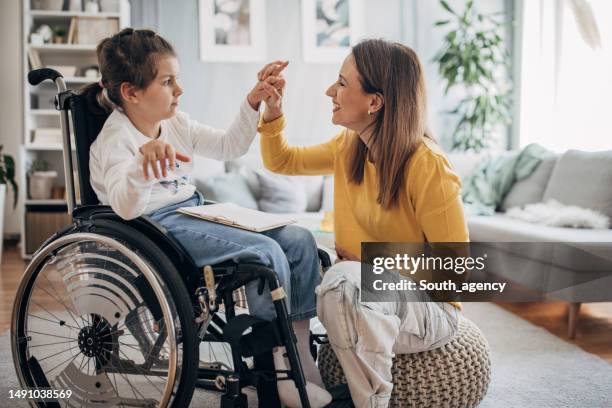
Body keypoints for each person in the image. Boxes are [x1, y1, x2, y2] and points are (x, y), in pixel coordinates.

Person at [87, 28, 332, 407]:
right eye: (168, 82)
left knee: (298, 241)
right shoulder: (115, 140)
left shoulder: (176, 123)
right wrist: (140, 163)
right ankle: (273, 368)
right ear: (131, 92)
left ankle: (297, 353)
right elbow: (125, 207)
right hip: (157, 228)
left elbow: (229, 146)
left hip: (195, 210)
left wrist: (253, 103)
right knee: (264, 255)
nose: (178, 90)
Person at [258, 39, 469, 407]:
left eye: (341, 83)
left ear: (375, 102)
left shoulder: (427, 165)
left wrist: (368, 264)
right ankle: (304, 378)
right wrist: (273, 110)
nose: (330, 92)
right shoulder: (350, 147)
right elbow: (284, 161)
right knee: (312, 266)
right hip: (364, 297)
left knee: (343, 282)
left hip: (431, 310)